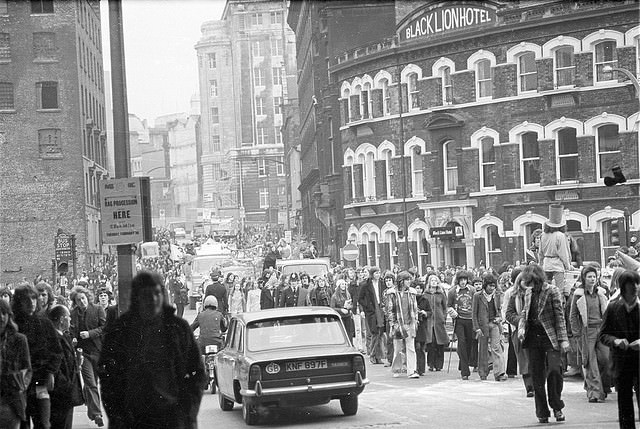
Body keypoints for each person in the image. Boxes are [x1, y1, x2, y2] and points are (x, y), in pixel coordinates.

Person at [99, 271, 206, 429]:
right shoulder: (121, 330)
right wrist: (117, 416)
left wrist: (188, 411)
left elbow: (197, 372)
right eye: (147, 294)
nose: (153, 299)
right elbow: (107, 376)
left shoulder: (178, 328)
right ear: (137, 297)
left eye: (157, 293)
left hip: (173, 418)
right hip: (133, 419)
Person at [517, 264, 570, 424]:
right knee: (537, 377)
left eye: (532, 282)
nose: (530, 285)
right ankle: (542, 412)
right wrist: (521, 328)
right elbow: (525, 313)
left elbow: (559, 317)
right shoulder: (528, 292)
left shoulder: (552, 291)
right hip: (533, 337)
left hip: (549, 336)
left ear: (538, 279)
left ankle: (556, 405)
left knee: (555, 370)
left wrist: (563, 339)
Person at [12, 283, 62, 429]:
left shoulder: (44, 323)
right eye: (27, 300)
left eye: (34, 299)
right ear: (19, 302)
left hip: (40, 382)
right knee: (22, 423)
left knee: (44, 423)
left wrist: (51, 372)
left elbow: (56, 351)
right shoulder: (13, 325)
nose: (32, 303)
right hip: (19, 383)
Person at [598, 270, 640, 429]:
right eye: (631, 284)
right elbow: (603, 334)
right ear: (623, 287)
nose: (635, 287)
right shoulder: (613, 308)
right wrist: (616, 341)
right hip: (621, 362)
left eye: (637, 283)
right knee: (624, 403)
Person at [569, 265, 611, 402]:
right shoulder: (578, 295)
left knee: (605, 359)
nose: (592, 279)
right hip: (587, 331)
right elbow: (573, 316)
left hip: (601, 330)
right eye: (589, 277)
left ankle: (597, 387)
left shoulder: (601, 293)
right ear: (584, 278)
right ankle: (595, 393)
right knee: (590, 363)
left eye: (594, 276)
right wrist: (577, 333)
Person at [69, 286, 105, 427]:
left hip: (97, 351)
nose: (82, 302)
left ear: (87, 297)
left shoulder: (97, 309)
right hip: (83, 353)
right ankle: (97, 414)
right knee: (90, 383)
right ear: (75, 302)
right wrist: (73, 338)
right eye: (78, 300)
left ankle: (92, 411)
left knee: (94, 382)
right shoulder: (73, 313)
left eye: (83, 298)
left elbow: (104, 327)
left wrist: (90, 333)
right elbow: (71, 330)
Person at [48, 305, 83, 429]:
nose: (70, 321)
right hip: (61, 392)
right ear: (62, 319)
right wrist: (66, 385)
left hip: (67, 392)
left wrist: (77, 361)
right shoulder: (52, 338)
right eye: (68, 317)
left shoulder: (64, 335)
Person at [0, 299, 32, 429]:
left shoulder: (19, 339)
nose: (1, 317)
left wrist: (20, 385)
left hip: (11, 399)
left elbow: (27, 369)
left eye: (4, 313)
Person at [504, 268, 534, 397]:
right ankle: (529, 387)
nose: (526, 283)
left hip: (534, 331)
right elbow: (508, 314)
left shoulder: (536, 294)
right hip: (519, 331)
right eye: (523, 281)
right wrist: (520, 321)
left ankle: (537, 383)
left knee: (535, 359)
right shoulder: (513, 295)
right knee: (523, 360)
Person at [472, 273, 507, 381]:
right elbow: (474, 313)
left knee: (496, 348)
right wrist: (476, 328)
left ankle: (499, 373)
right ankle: (483, 373)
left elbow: (500, 310)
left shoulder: (496, 295)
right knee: (482, 350)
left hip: (494, 324)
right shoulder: (477, 296)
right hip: (482, 326)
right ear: (485, 285)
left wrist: (499, 318)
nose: (492, 288)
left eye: (493, 286)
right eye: (490, 286)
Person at [386, 271, 420, 378]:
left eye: (410, 279)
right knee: (398, 348)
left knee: (411, 348)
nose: (409, 282)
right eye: (407, 280)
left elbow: (415, 309)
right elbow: (390, 310)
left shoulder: (412, 293)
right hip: (398, 324)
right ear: (401, 281)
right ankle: (396, 369)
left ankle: (412, 371)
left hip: (410, 323)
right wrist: (393, 324)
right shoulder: (392, 293)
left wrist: (415, 322)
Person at [447, 270, 475, 380]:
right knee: (462, 342)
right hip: (459, 320)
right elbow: (448, 306)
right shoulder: (452, 291)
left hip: (470, 319)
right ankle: (465, 371)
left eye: (465, 280)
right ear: (458, 280)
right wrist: (452, 312)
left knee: (469, 343)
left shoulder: (472, 290)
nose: (463, 282)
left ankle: (462, 362)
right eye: (461, 280)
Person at [539, 204, 572, 298]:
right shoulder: (560, 235)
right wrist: (567, 265)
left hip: (546, 263)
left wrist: (540, 264)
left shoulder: (543, 235)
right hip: (557, 264)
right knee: (559, 291)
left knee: (546, 290)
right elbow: (563, 253)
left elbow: (540, 253)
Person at [358, 267, 386, 365]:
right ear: (372, 274)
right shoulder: (365, 285)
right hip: (372, 311)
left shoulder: (382, 284)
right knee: (375, 332)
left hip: (381, 310)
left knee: (380, 333)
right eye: (376, 273)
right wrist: (367, 307)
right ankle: (373, 355)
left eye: (379, 273)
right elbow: (360, 298)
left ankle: (378, 356)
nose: (378, 275)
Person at [423, 272, 448, 372]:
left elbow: (445, 307)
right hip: (429, 322)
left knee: (440, 343)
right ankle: (431, 363)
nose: (434, 282)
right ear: (429, 282)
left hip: (439, 322)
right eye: (432, 280)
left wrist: (444, 318)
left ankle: (439, 364)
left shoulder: (441, 294)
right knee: (431, 342)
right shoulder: (425, 294)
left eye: (435, 281)